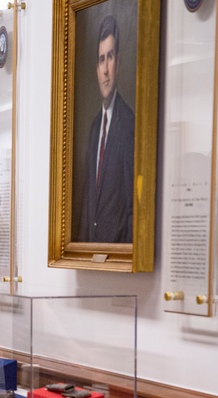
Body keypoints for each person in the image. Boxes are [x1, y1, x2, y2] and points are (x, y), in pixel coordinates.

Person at [78, 14, 135, 244]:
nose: (105, 70)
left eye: (109, 57)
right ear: (96, 67)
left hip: (118, 263)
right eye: (101, 60)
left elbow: (133, 210)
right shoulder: (94, 130)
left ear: (118, 63)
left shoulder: (130, 124)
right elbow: (87, 206)